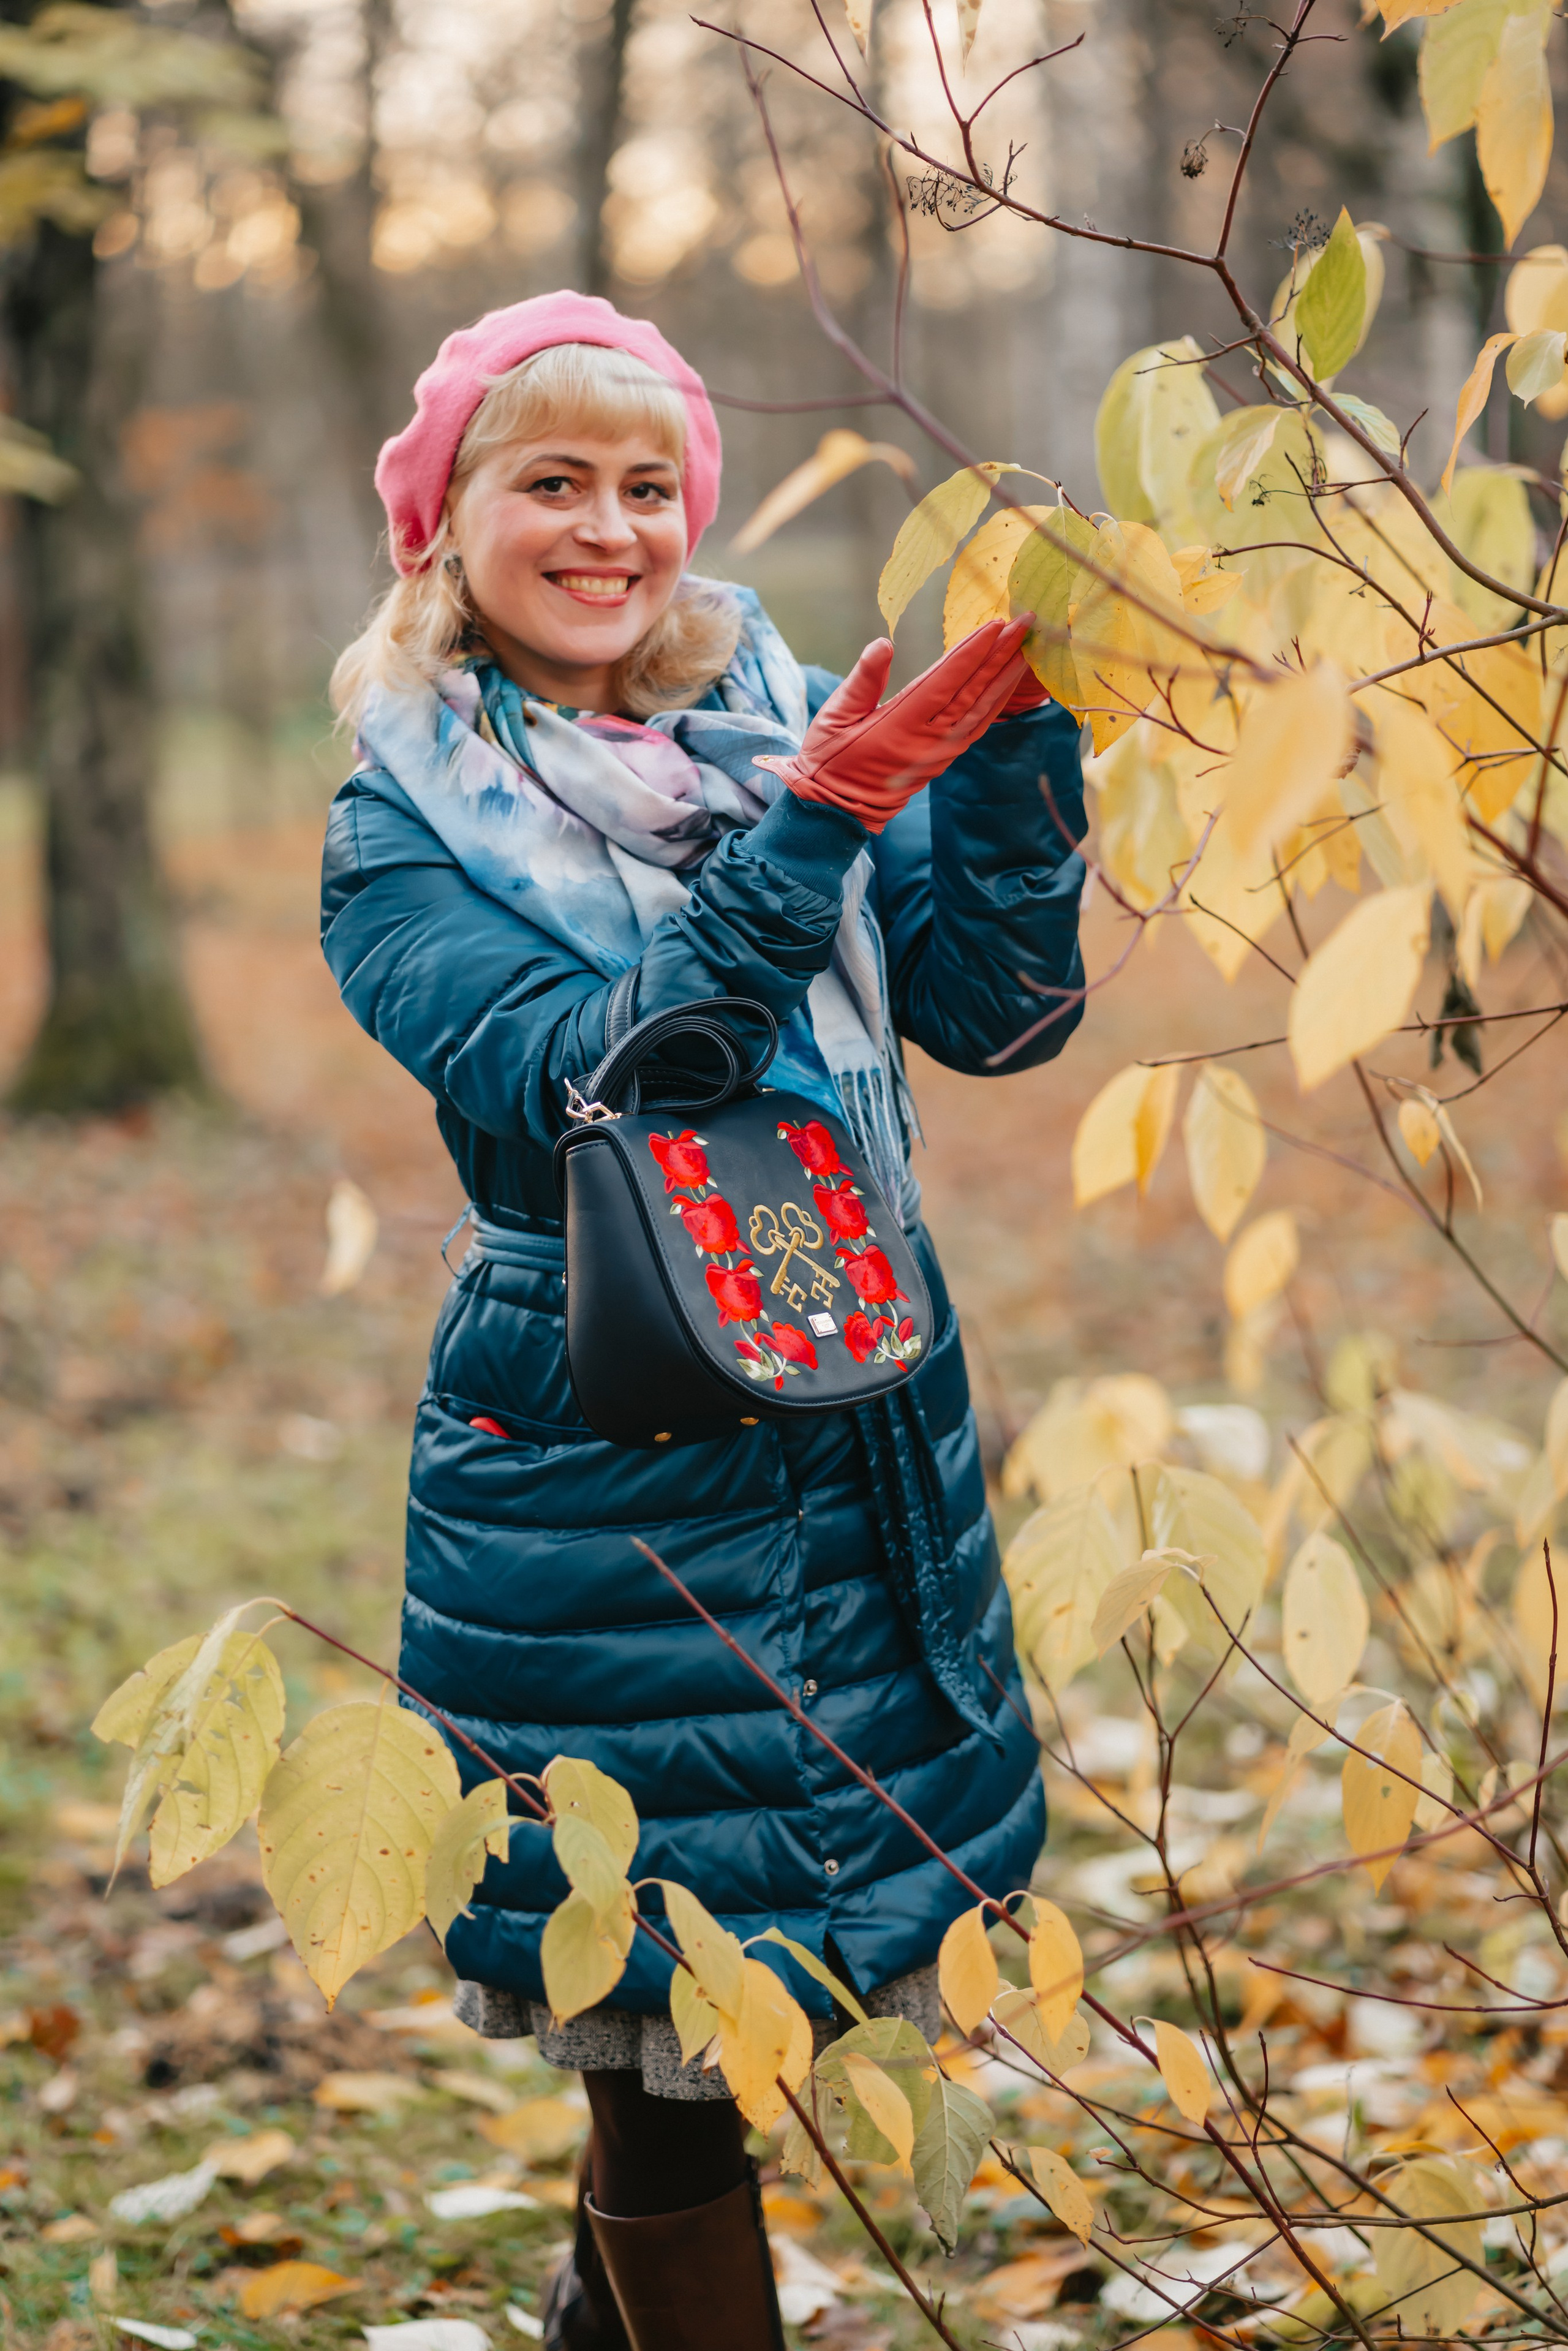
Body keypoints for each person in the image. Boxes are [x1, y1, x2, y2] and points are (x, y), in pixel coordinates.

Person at [322, 291, 1088, 2351]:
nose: (610, 528)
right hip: (600, 1466)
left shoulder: (761, 727)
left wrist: (1011, 771)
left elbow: (1001, 1017)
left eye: (646, 484)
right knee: (648, 2010)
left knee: (752, 2017)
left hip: (850, 1407)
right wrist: (826, 821)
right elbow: (608, 1075)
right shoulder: (400, 825)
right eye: (549, 481)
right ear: (443, 523)